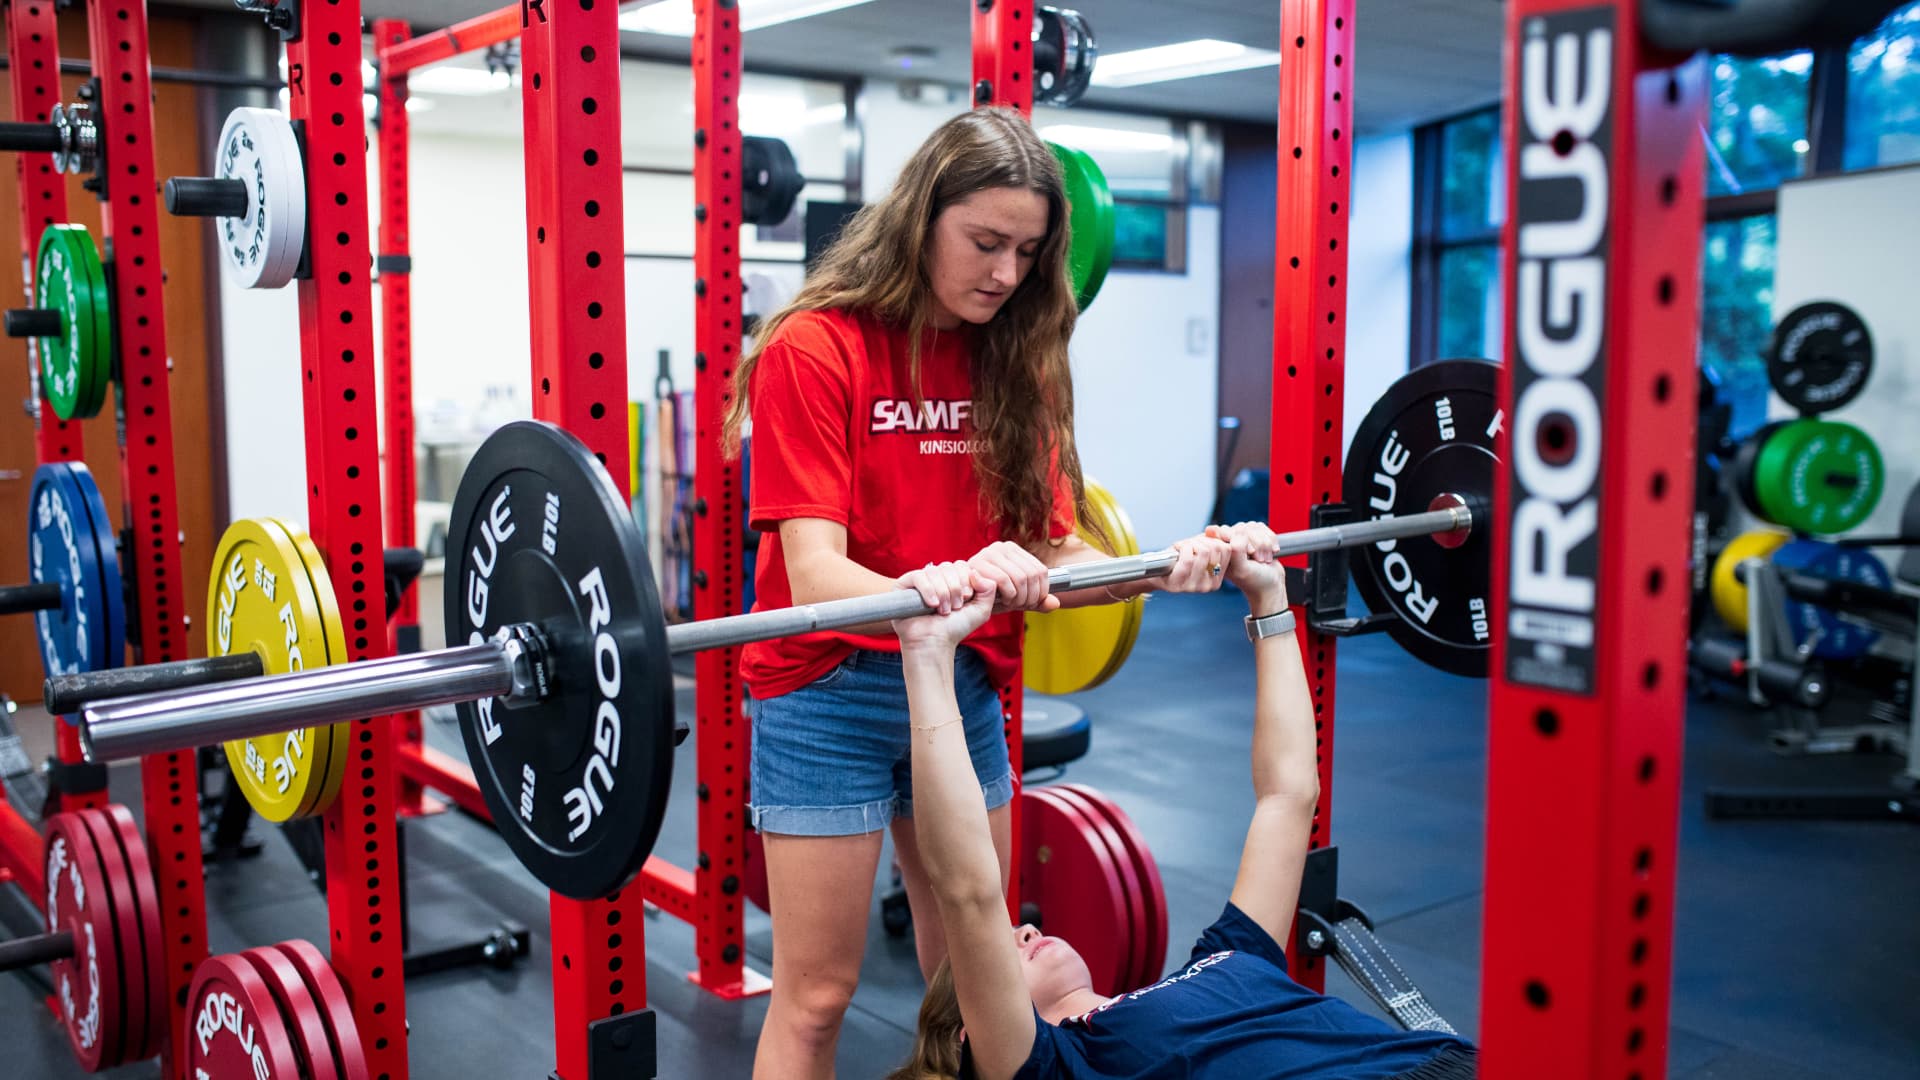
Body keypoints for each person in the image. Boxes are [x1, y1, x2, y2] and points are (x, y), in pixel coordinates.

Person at [722, 106, 1234, 1079]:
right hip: (826, 686)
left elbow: (1054, 553)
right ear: (921, 219)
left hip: (960, 694)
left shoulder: (1017, 354)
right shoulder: (816, 346)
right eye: (985, 242)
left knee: (974, 975)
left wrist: (1162, 568)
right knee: (818, 994)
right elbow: (815, 570)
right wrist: (937, 591)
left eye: (1027, 252)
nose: (1005, 273)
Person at [884, 521, 1480, 1080]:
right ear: (971, 1037)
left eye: (1017, 928)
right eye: (1010, 942)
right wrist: (928, 656)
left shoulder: (1227, 955)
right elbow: (968, 894)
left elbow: (1289, 795)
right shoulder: (1064, 1063)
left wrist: (1269, 596)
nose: (1025, 929)